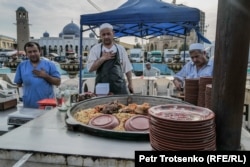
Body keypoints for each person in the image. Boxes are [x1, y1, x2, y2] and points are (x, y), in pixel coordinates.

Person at [86, 23, 134, 94]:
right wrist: (103, 58)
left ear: (113, 33)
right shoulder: (95, 49)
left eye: (108, 34)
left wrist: (130, 83)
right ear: (100, 35)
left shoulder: (120, 49)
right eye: (103, 34)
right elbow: (90, 68)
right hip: (102, 90)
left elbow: (127, 68)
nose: (106, 36)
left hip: (119, 87)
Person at [14, 42, 61, 108]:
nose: (33, 54)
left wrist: (46, 76)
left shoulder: (50, 64)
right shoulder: (22, 66)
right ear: (26, 53)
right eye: (29, 52)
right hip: (29, 106)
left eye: (35, 51)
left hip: (47, 106)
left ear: (40, 51)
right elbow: (18, 84)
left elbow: (58, 82)